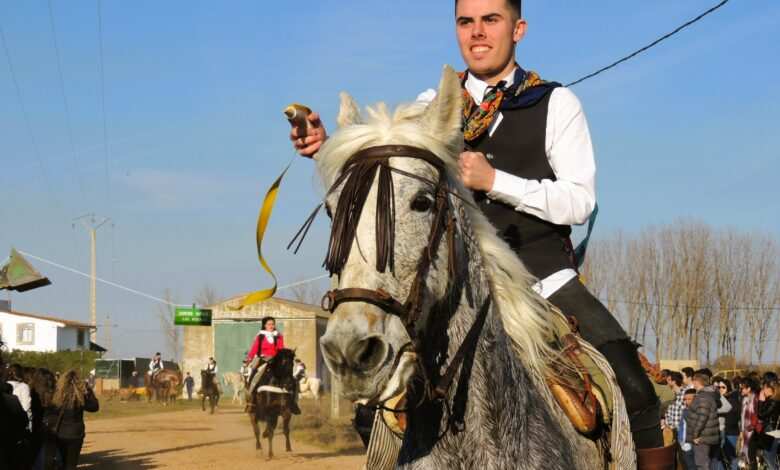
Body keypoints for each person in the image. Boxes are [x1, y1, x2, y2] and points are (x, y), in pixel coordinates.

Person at [289, 0, 672, 465]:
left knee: (636, 388)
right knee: (379, 409)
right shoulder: (433, 105)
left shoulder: (555, 102)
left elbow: (579, 201)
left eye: (491, 20)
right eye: (466, 22)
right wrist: (331, 147)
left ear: (518, 28)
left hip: (544, 282)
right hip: (460, 287)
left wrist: (495, 181)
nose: (477, 32)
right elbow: (393, 169)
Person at [43, 370, 99, 470]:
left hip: (59, 433)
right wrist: (88, 392)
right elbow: (94, 407)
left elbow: (49, 412)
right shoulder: (81, 395)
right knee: (71, 464)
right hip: (76, 433)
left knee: (61, 462)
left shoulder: (57, 394)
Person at [244, 317, 300, 414]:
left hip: (276, 360)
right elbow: (254, 349)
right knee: (252, 376)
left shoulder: (278, 336)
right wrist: (249, 359)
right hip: (263, 359)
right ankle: (251, 403)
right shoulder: (260, 336)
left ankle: (293, 403)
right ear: (265, 325)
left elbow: (280, 349)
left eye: (273, 324)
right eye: (269, 324)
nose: (271, 326)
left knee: (292, 379)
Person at [684, 373, 720, 469]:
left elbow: (702, 417)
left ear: (697, 382)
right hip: (704, 435)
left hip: (702, 436)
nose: (693, 383)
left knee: (701, 464)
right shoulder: (705, 395)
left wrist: (695, 435)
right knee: (705, 463)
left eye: (693, 381)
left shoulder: (703, 396)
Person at [748, 380, 779, 470]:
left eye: (764, 388)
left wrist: (761, 401)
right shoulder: (771, 400)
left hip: (771, 431)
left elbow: (761, 415)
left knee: (769, 456)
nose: (762, 390)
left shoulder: (774, 401)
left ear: (770, 389)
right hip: (768, 430)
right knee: (764, 454)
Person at [679, 389, 698, 470]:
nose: (686, 401)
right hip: (687, 445)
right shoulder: (685, 411)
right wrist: (682, 442)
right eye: (685, 399)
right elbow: (682, 427)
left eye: (689, 399)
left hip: (698, 445)